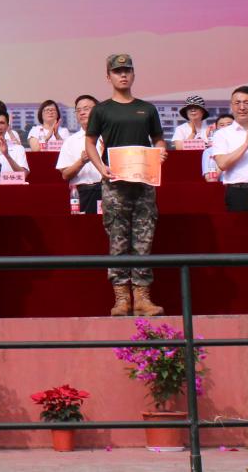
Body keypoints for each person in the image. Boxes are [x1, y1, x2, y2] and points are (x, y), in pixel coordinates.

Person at [84, 53, 167, 318]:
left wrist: (161, 151)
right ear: (108, 76)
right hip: (115, 183)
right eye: (117, 71)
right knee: (117, 240)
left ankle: (142, 297)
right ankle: (121, 298)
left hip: (143, 182)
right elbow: (90, 142)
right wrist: (101, 167)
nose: (123, 75)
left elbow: (159, 139)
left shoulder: (147, 108)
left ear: (133, 74)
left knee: (144, 239)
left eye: (127, 70)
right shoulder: (102, 110)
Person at [212, 86, 248, 212]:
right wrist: (246, 144)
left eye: (247, 103)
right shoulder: (221, 134)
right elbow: (222, 164)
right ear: (231, 106)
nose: (242, 107)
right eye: (237, 103)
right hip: (238, 193)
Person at [57, 95, 104, 214]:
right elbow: (65, 175)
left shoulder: (108, 136)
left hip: (108, 191)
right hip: (82, 193)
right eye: (78, 110)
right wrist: (81, 161)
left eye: (86, 109)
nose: (82, 113)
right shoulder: (70, 141)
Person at [0, 101, 29, 179]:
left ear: (7, 126)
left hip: (11, 186)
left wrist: (7, 155)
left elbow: (23, 176)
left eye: (2, 123)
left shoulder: (18, 149)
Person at [202, 114, 234, 181]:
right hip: (224, 185)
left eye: (229, 124)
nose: (226, 127)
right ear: (216, 128)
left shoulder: (245, 146)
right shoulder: (209, 152)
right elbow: (210, 179)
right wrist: (222, 161)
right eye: (222, 125)